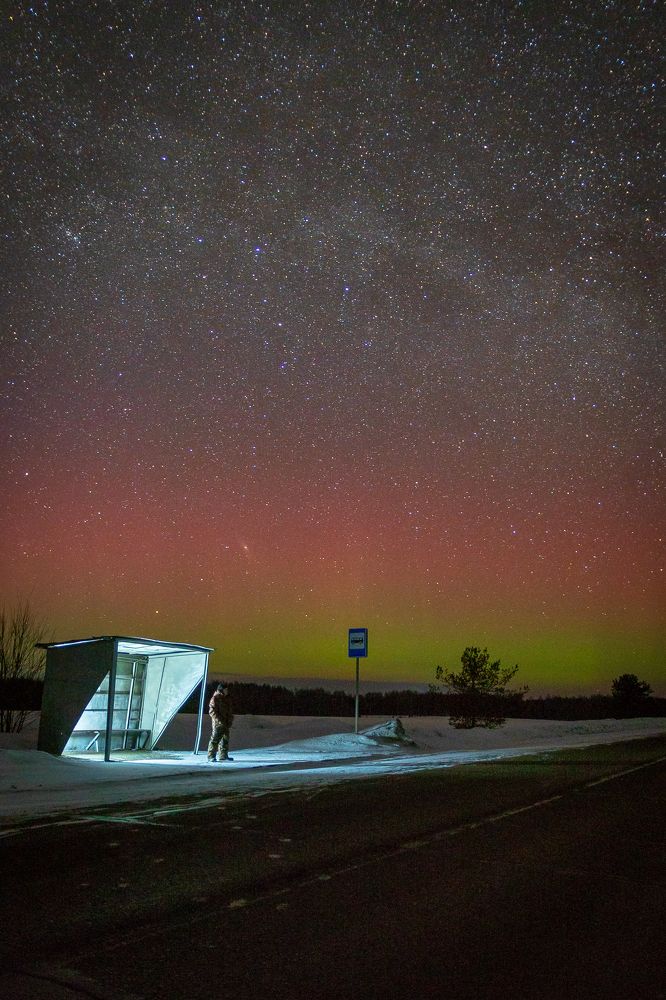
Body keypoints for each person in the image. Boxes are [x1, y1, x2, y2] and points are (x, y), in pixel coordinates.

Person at [207, 683, 234, 762]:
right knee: (215, 739)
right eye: (226, 689)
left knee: (225, 739)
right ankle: (211, 756)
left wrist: (230, 719)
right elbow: (212, 711)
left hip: (226, 723)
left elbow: (229, 711)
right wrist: (220, 720)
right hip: (218, 724)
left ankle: (223, 756)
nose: (227, 691)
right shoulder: (215, 698)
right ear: (222, 690)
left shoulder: (226, 698)